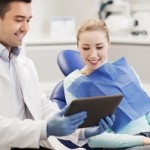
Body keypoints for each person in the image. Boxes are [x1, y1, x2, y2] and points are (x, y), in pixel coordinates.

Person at [0, 1, 115, 150]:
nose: (25, 28)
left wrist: (82, 131)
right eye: (18, 19)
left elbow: (43, 109)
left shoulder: (25, 64)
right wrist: (45, 129)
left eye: (28, 20)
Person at [63, 18, 150, 150]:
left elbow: (147, 110)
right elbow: (92, 139)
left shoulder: (125, 70)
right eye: (86, 48)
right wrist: (143, 141)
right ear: (78, 46)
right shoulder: (74, 82)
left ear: (109, 43)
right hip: (128, 144)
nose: (93, 54)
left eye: (99, 47)